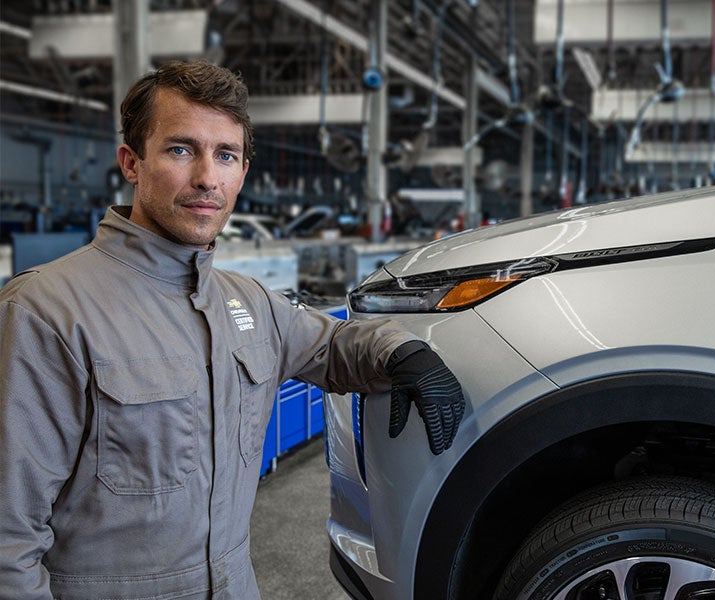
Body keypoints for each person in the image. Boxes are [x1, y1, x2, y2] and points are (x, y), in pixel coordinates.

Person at [0, 60, 465, 600]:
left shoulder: (245, 301)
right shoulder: (46, 311)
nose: (206, 177)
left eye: (225, 155)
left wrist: (402, 351)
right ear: (131, 162)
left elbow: (332, 344)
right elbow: (8, 538)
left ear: (243, 172)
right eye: (180, 149)